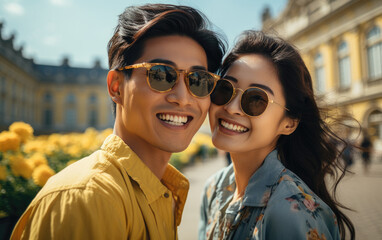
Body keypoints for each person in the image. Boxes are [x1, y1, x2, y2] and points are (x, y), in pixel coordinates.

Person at [11, 4, 225, 239]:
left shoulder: (159, 191)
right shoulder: (88, 199)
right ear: (116, 87)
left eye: (199, 80)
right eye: (161, 75)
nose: (183, 98)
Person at [199, 31, 355, 240]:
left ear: (289, 123)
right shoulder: (213, 189)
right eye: (225, 89)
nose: (231, 107)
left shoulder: (291, 213)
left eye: (256, 99)